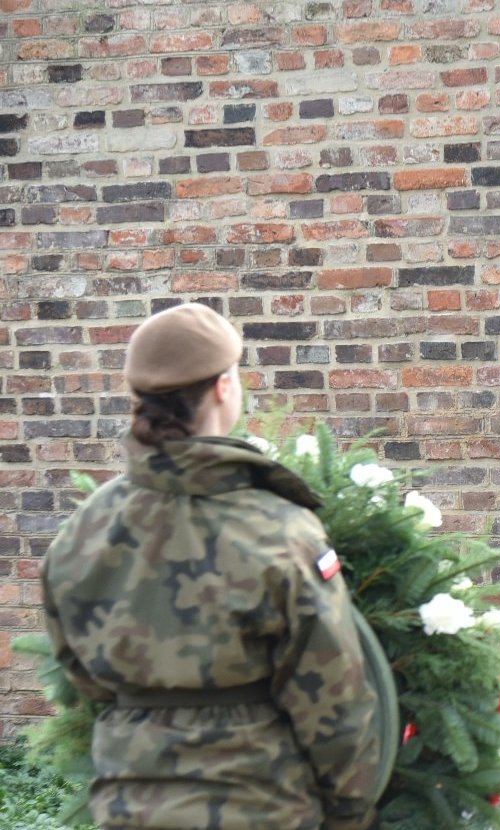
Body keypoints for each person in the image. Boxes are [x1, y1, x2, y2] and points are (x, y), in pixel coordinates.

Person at [41, 302, 384, 830]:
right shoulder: (281, 530)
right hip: (259, 805)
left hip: (128, 806)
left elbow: (81, 672)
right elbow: (333, 698)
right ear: (225, 386)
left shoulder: (84, 529)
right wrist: (351, 812)